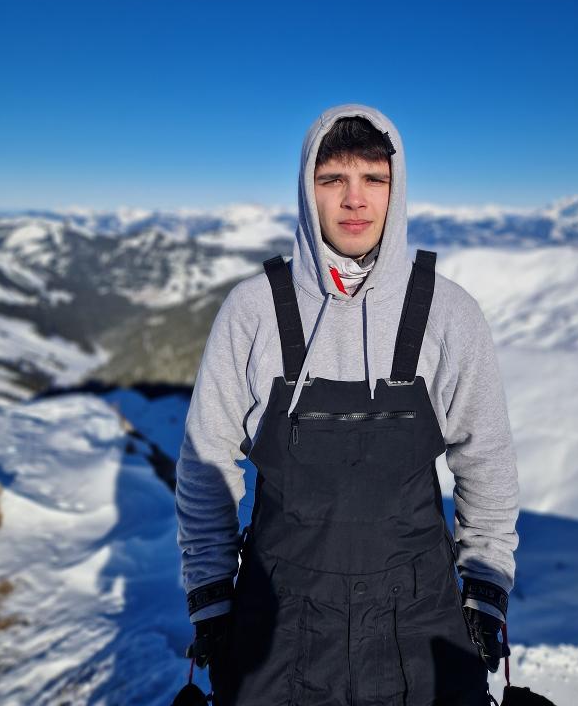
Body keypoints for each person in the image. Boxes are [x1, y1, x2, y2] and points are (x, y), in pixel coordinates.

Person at [174, 103, 519, 706]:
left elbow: (484, 459)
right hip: (277, 619)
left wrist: (485, 586)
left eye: (374, 179)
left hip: (421, 618)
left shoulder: (447, 312)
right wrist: (211, 594)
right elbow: (207, 461)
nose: (354, 199)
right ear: (307, 190)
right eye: (333, 179)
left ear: (397, 190)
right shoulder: (254, 310)